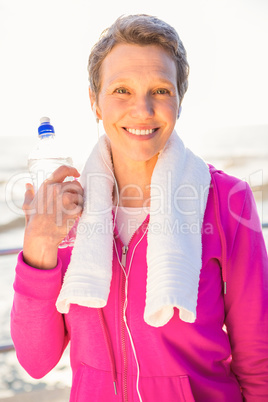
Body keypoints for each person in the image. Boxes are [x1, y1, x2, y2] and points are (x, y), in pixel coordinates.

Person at [11, 14, 268, 402]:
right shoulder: (65, 211)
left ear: (180, 99)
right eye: (121, 91)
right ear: (94, 102)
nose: (143, 109)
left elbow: (259, 362)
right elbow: (36, 361)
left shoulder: (226, 200)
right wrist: (38, 245)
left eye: (161, 90)